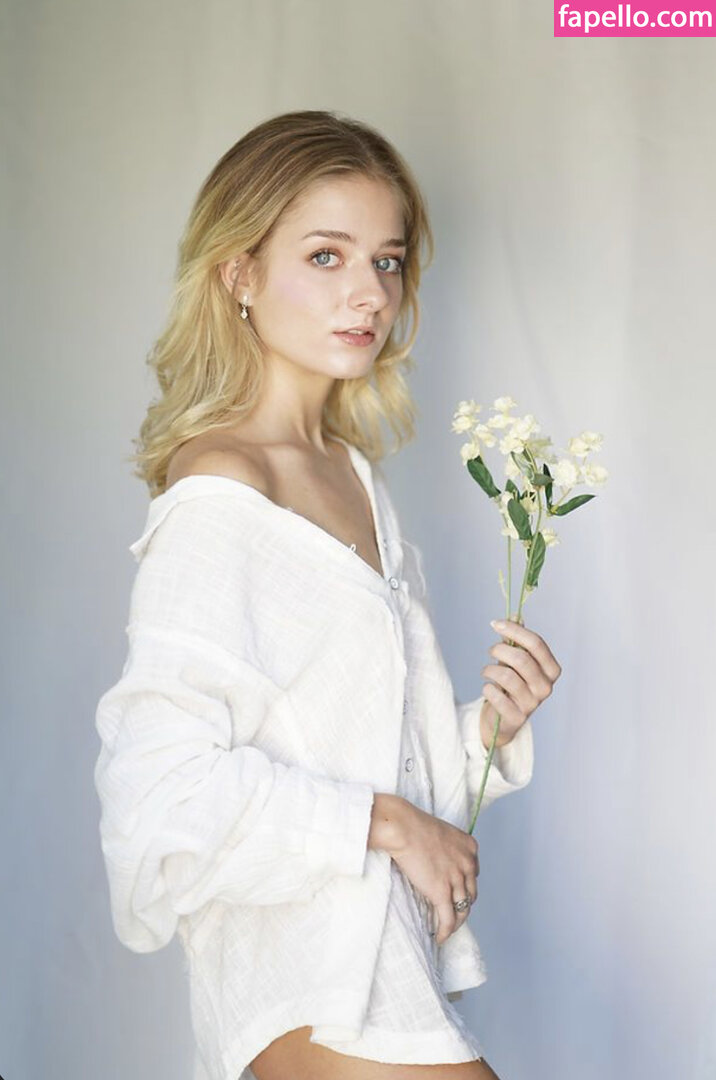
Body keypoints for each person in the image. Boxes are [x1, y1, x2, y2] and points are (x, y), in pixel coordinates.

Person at [93, 109, 561, 1080]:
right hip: (300, 972)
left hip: (380, 955)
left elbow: (367, 752)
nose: (368, 293)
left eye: (386, 261)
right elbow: (159, 791)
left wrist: (488, 731)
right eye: (324, 256)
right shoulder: (220, 489)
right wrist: (389, 824)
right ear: (239, 274)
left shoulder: (355, 478)